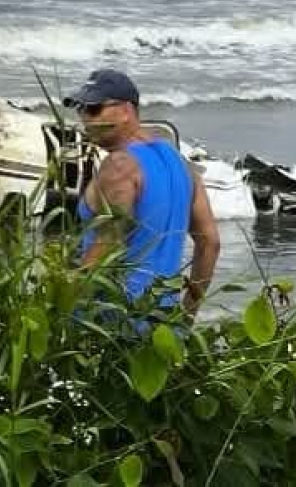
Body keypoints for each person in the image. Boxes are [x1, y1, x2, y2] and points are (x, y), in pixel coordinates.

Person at [65, 68, 220, 315]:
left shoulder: (119, 166)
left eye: (94, 109)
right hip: (161, 323)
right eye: (80, 109)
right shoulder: (181, 163)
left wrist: (61, 306)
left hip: (112, 322)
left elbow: (108, 245)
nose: (85, 118)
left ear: (126, 111)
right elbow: (210, 243)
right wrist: (187, 315)